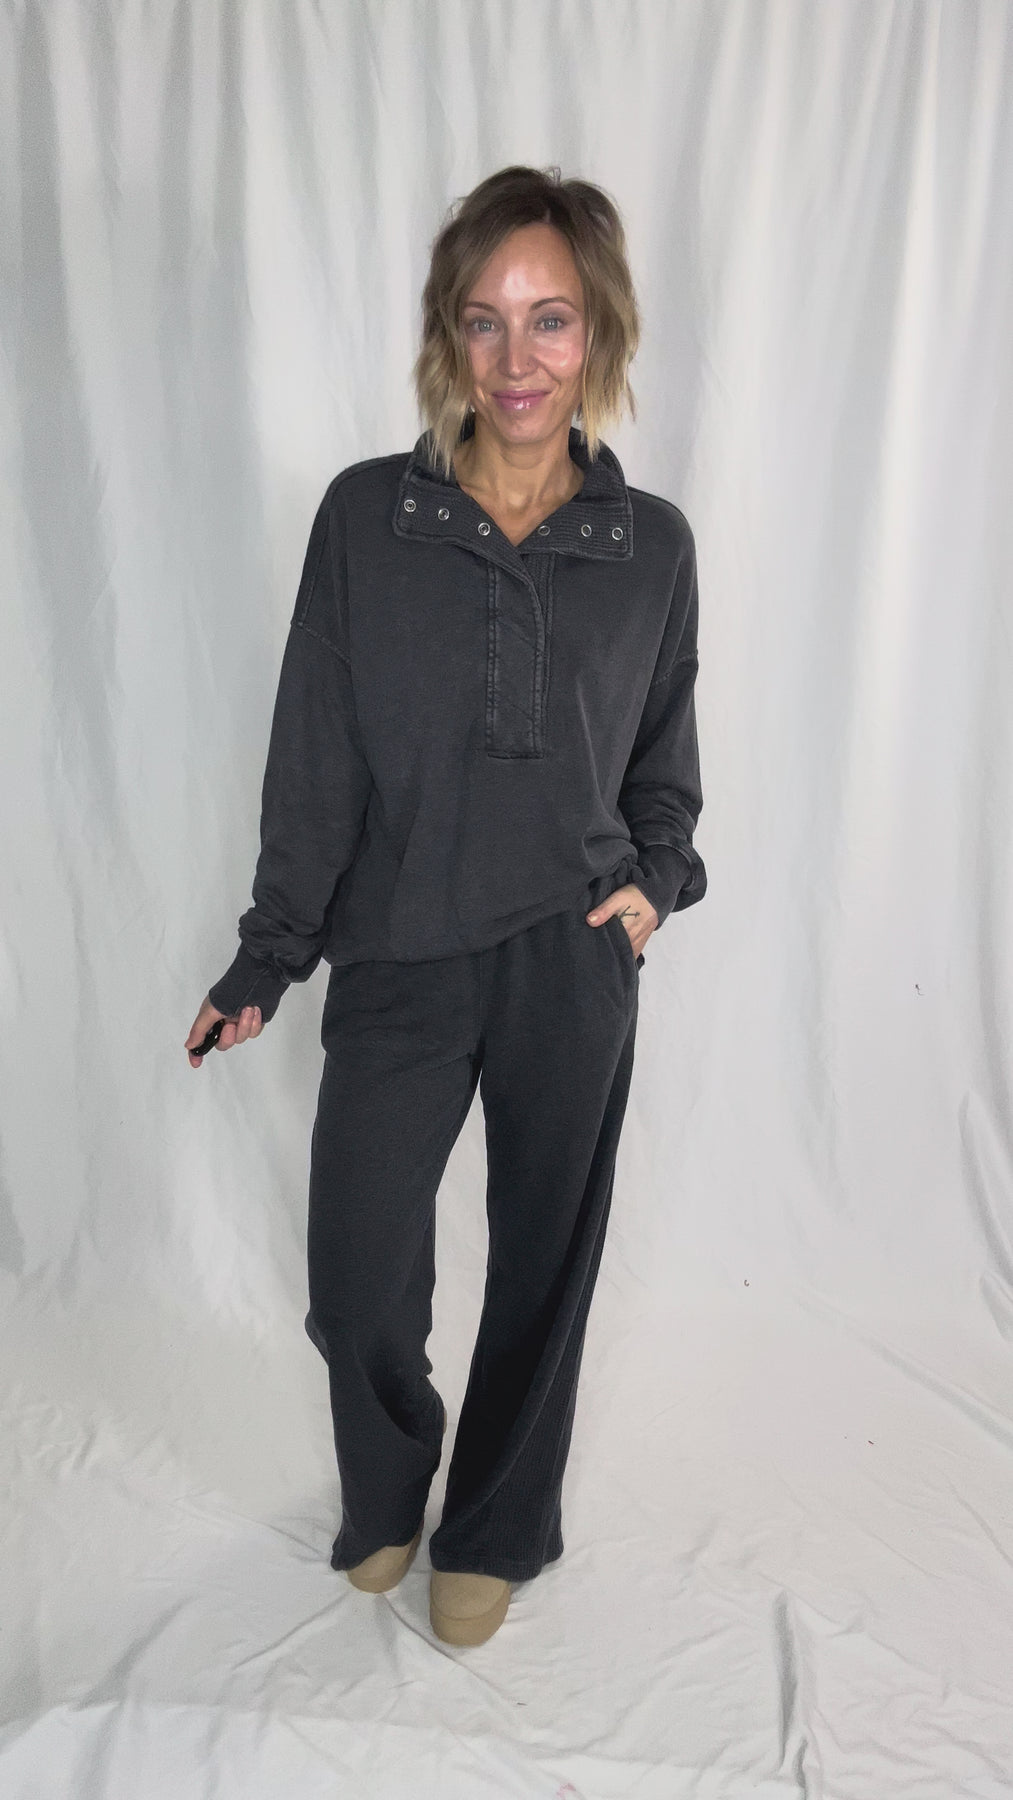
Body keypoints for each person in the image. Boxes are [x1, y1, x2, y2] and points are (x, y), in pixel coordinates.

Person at [185, 164, 706, 1648]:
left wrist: (649, 888)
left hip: (569, 958)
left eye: (551, 319)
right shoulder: (371, 517)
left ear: (599, 333)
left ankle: (496, 1526)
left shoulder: (650, 545)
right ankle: (390, 1482)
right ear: (447, 335)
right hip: (402, 949)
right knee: (357, 1278)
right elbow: (315, 755)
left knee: (546, 1264)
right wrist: (269, 955)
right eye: (485, 320)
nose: (516, 357)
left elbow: (664, 772)